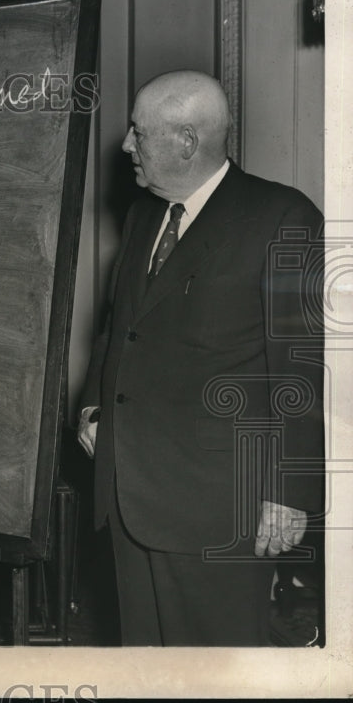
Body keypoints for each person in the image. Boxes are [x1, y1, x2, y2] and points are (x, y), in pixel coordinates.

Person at [78, 70, 324, 646]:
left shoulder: (283, 219)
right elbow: (120, 330)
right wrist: (93, 409)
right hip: (129, 497)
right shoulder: (146, 215)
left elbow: (305, 372)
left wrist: (290, 494)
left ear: (187, 141)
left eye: (138, 133)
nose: (126, 146)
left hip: (220, 511)